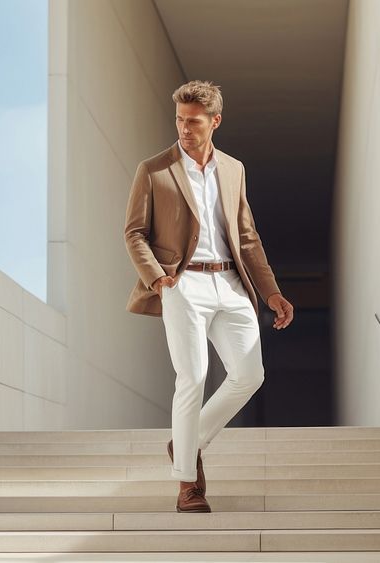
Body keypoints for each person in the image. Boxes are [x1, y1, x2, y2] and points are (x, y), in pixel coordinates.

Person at [123, 80, 295, 513]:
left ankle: (185, 442)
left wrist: (271, 292)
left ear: (214, 121)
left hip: (232, 285)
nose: (184, 129)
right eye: (179, 120)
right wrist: (159, 278)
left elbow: (247, 237)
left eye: (194, 122)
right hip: (183, 284)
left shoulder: (234, 169)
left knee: (249, 374)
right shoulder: (154, 169)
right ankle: (188, 484)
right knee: (193, 377)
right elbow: (134, 233)